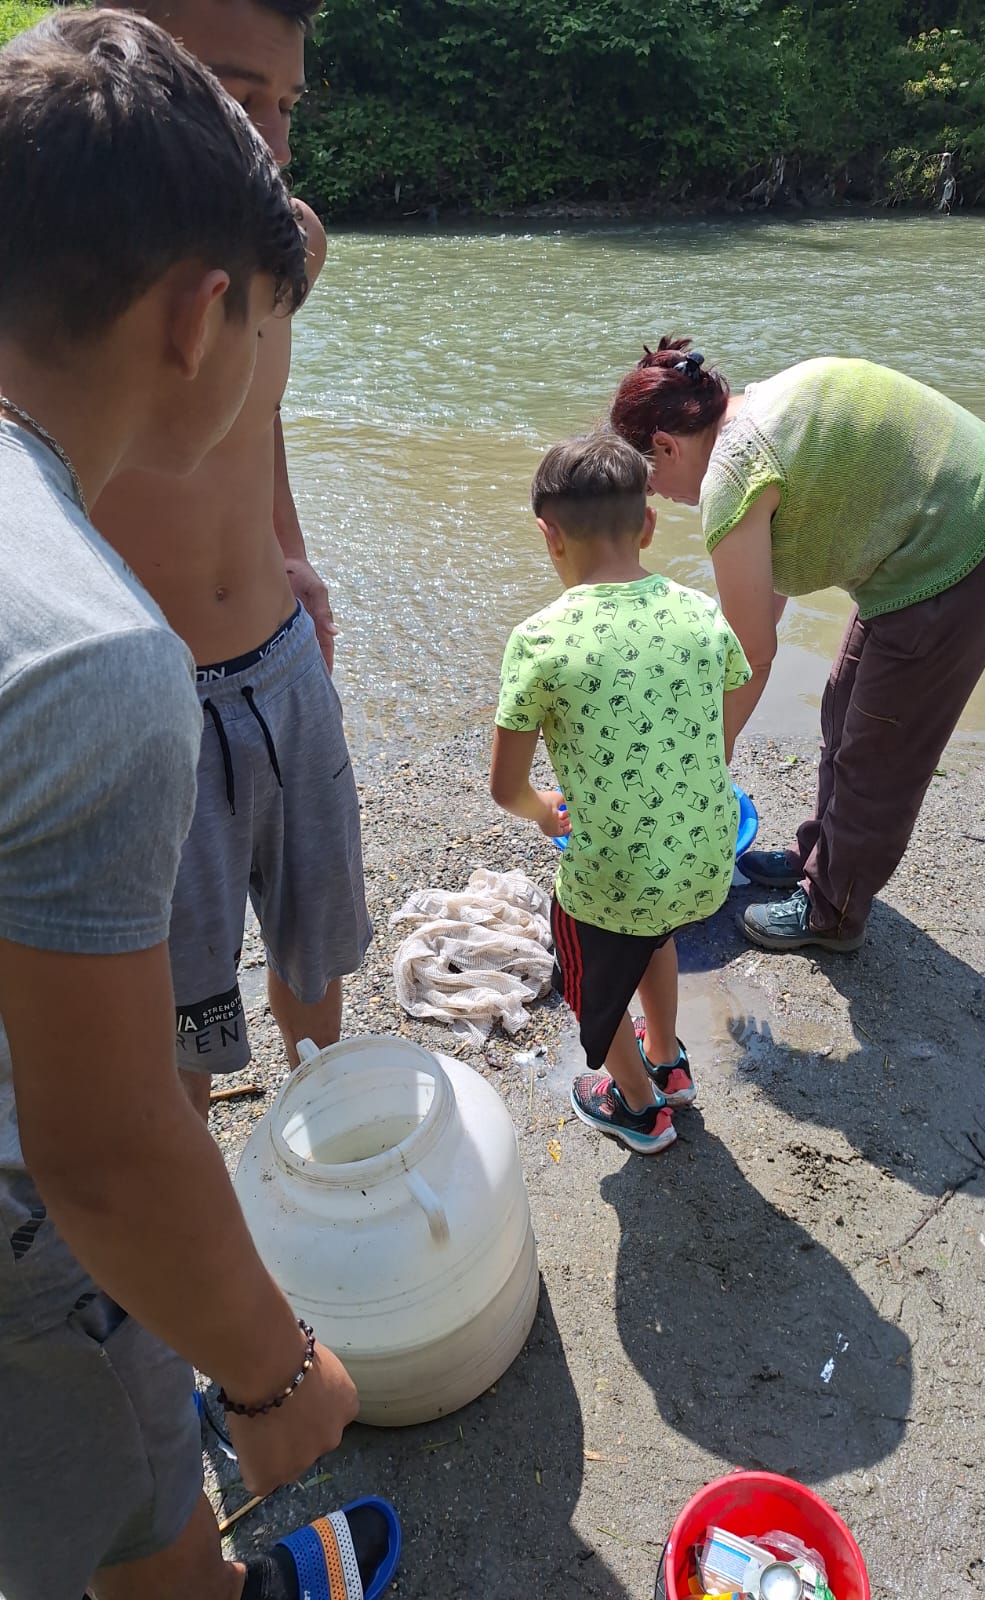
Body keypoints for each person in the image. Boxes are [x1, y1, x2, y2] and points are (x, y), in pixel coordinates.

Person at [0, 15, 399, 1599]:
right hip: (30, 1234)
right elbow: (105, 1151)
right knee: (120, 1446)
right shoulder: (95, 659)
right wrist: (274, 1373)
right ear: (197, 317)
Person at [93, 0, 371, 1120]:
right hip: (153, 701)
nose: (276, 141)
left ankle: (331, 1151)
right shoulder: (62, 274)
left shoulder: (287, 240)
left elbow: (262, 410)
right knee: (180, 1020)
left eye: (287, 103)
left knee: (317, 950)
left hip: (283, 661)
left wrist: (292, 552)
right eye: (238, 95)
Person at [609, 337, 985, 954]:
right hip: (937, 526)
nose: (657, 496)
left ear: (665, 445)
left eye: (651, 481)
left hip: (972, 537)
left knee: (880, 747)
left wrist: (708, 755)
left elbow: (752, 654)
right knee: (844, 706)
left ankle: (832, 913)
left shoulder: (732, 474)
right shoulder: (751, 413)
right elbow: (760, 611)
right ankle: (817, 856)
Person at [490, 433, 751, 1154]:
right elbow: (722, 708)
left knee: (588, 984)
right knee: (653, 931)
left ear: (548, 535)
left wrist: (545, 811)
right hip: (704, 861)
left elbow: (506, 788)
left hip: (618, 877)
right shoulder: (701, 613)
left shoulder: (540, 639)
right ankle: (666, 1057)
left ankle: (637, 1105)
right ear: (648, 525)